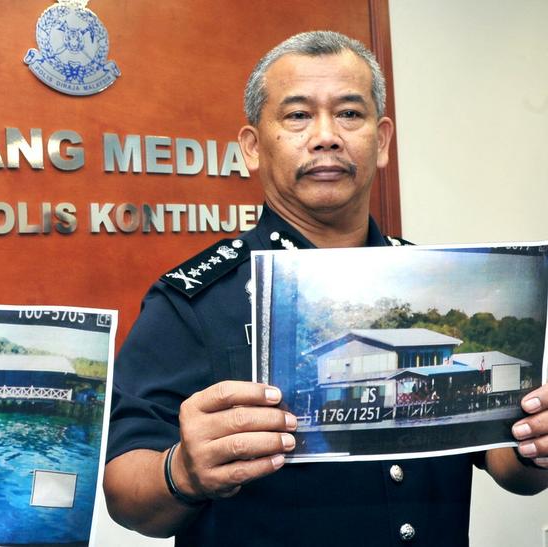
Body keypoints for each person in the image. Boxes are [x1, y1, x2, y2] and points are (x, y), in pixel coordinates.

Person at [103, 31, 548, 546]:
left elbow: (507, 466)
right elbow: (125, 495)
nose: (326, 136)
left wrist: (532, 449)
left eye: (349, 114)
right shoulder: (196, 299)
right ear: (252, 147)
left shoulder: (431, 286)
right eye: (297, 115)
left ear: (381, 142)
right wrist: (183, 471)